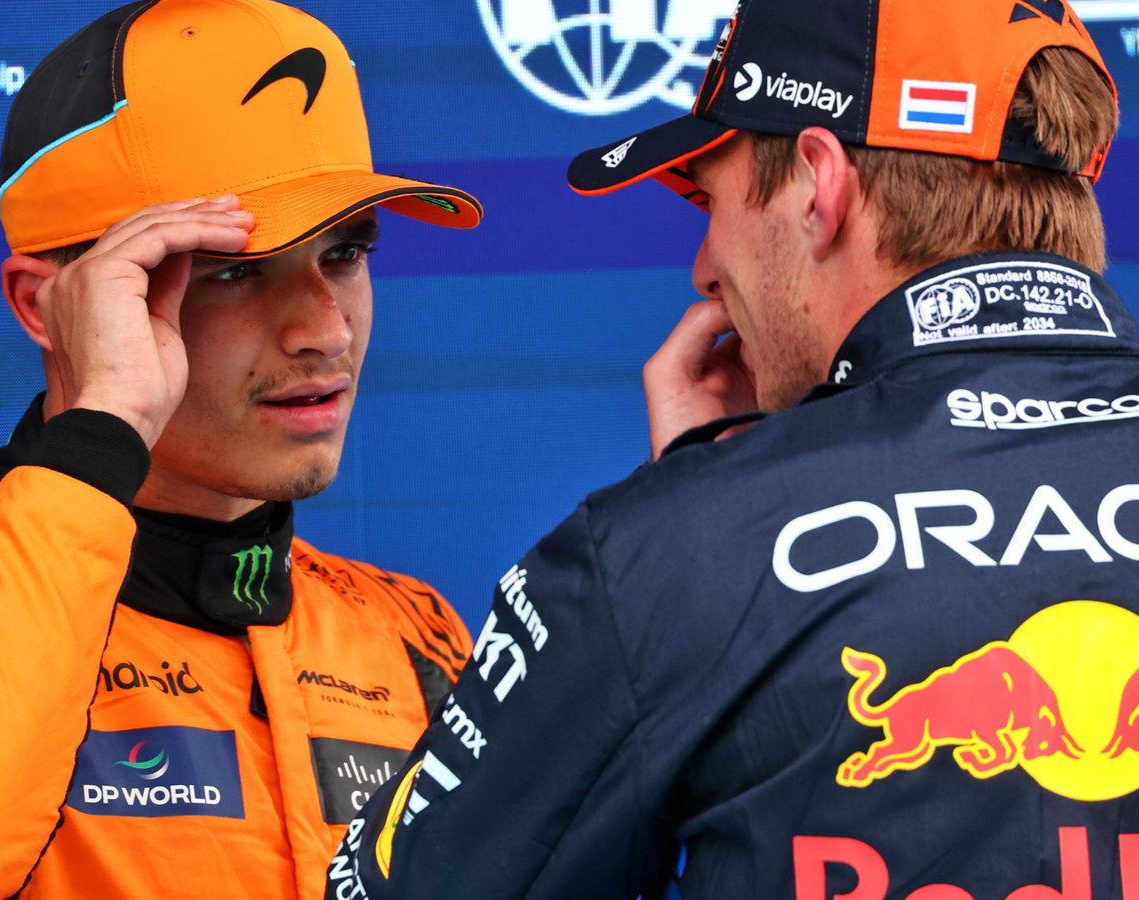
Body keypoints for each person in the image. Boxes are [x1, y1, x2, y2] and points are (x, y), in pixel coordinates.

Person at [328, 1, 1136, 898]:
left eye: (710, 199)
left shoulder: (673, 549)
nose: (704, 268)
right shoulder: (692, 542)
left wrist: (698, 525)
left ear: (818, 188)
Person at [0, 1, 484, 898]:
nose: (325, 330)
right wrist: (102, 429)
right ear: (45, 306)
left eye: (345, 253)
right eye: (231, 269)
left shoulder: (413, 630)